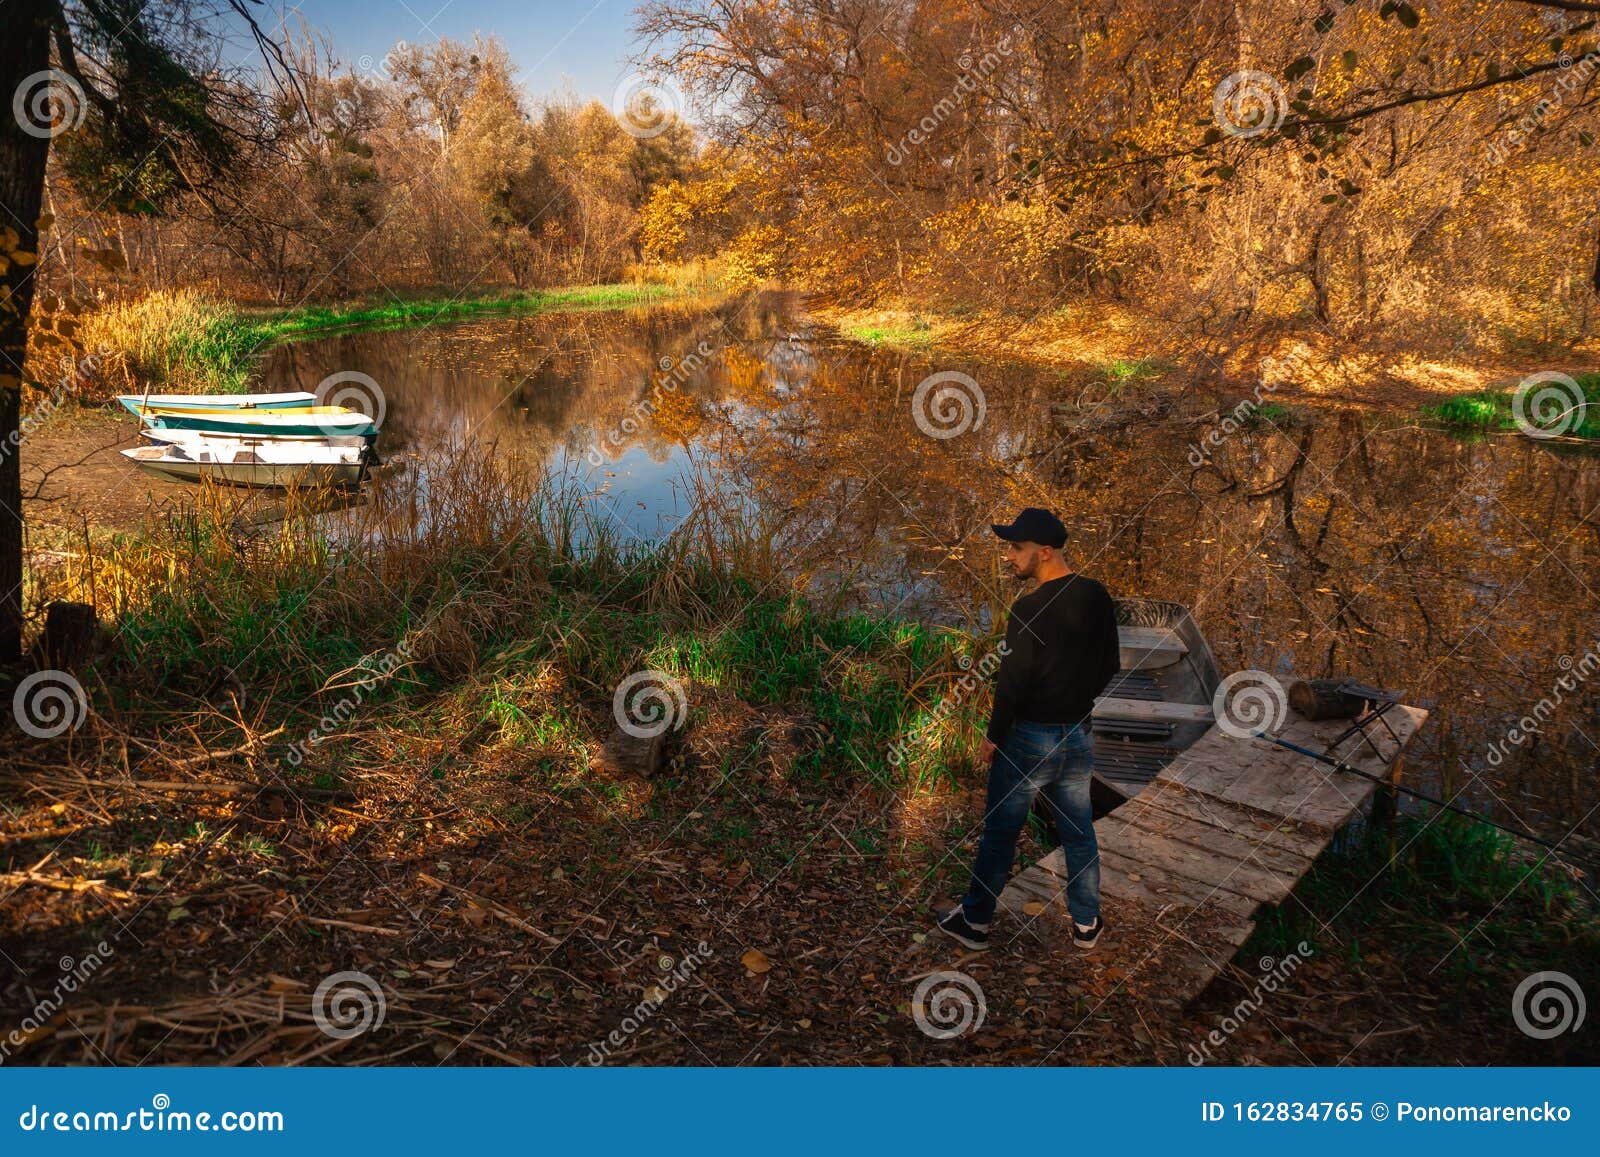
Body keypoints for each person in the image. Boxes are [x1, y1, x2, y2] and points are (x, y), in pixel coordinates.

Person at [936, 507, 1121, 951]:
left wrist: (993, 735)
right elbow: (1110, 664)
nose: (1010, 557)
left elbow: (1012, 682)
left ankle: (976, 922)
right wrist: (1077, 703)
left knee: (1001, 829)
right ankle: (1085, 925)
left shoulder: (1029, 607)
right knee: (1078, 829)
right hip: (1077, 734)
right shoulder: (1096, 596)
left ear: (1046, 551)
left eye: (1017, 549)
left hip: (1029, 739)